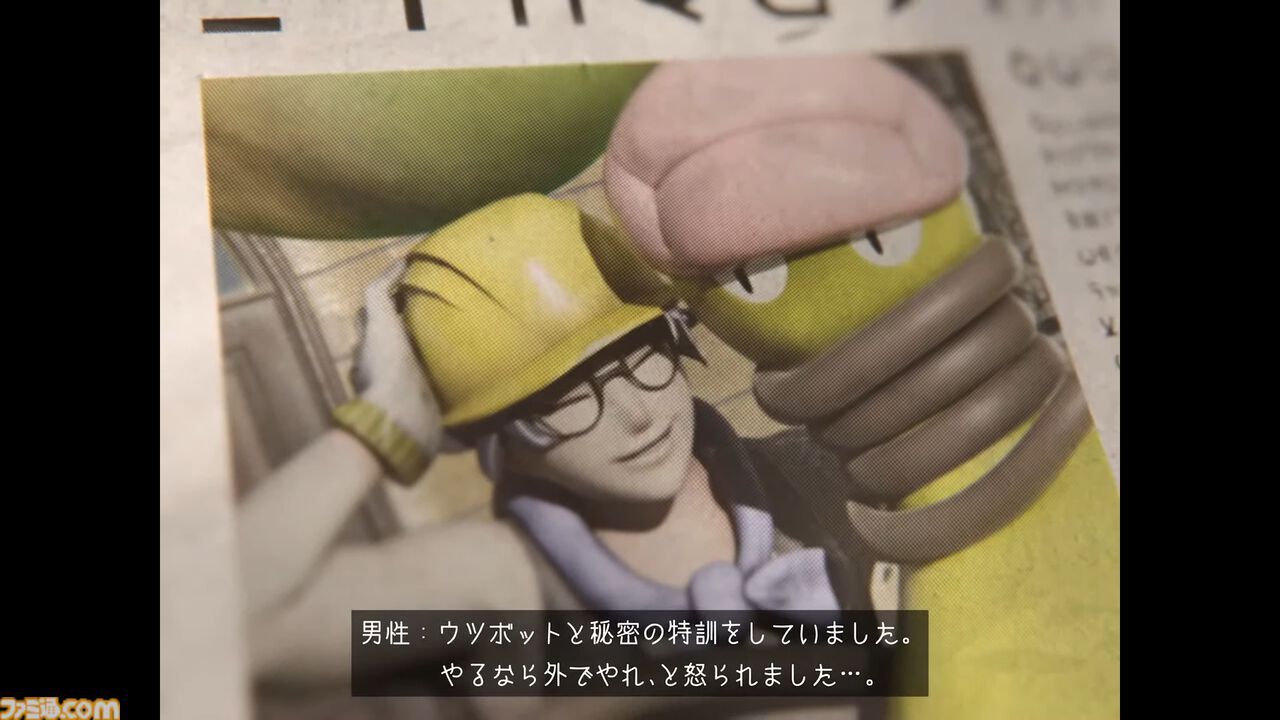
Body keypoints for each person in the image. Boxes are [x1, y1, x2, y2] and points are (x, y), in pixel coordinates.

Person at [238, 193, 875, 718]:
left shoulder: (822, 473)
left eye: (639, 357)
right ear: (497, 438)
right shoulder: (501, 586)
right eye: (565, 398)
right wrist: (376, 431)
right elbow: (223, 629)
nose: (635, 413)